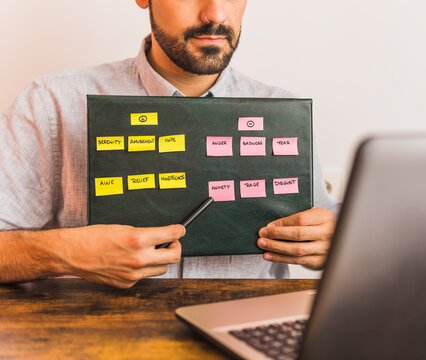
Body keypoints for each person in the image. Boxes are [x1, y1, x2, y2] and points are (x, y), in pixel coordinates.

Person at [0, 0, 339, 288]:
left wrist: (333, 243)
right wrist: (66, 253)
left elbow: (330, 227)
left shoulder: (284, 113)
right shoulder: (51, 103)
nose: (216, 15)